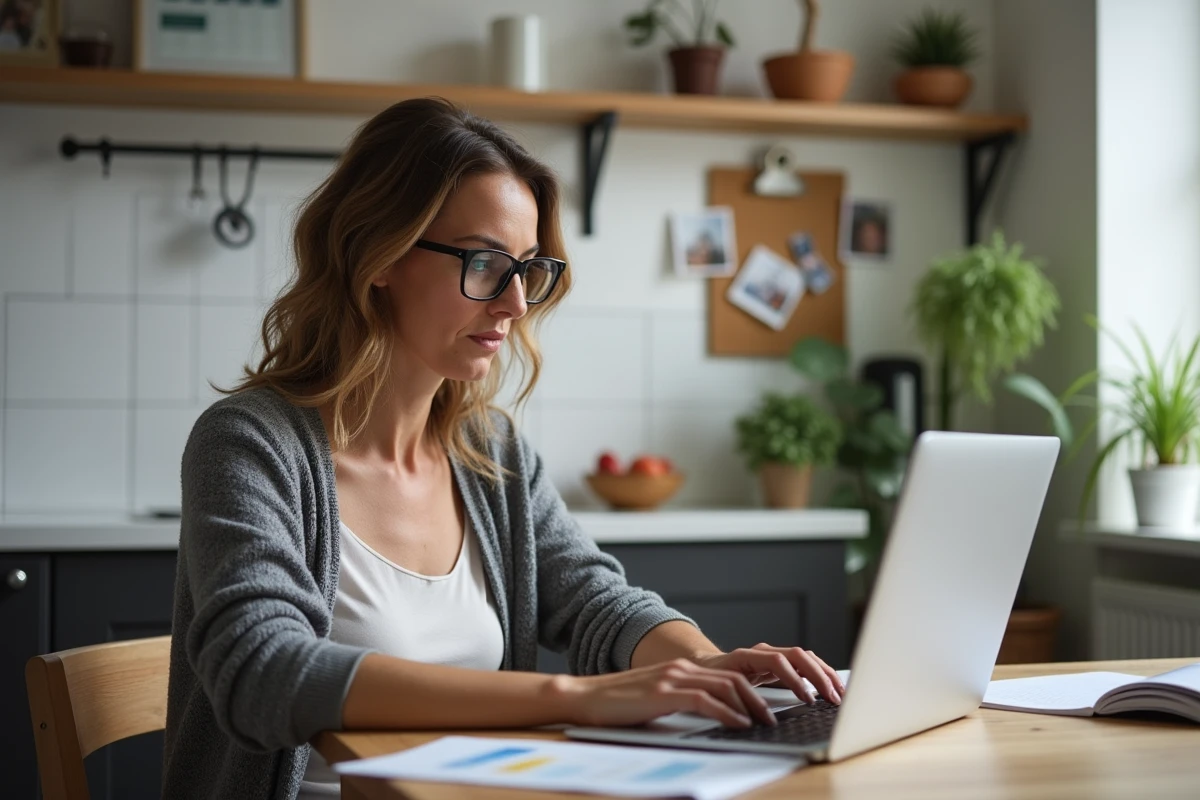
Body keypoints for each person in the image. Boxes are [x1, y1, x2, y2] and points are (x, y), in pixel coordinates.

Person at [162, 97, 845, 800]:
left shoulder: (490, 452)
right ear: (379, 256)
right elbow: (261, 671)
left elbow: (595, 600)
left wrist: (707, 667)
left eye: (527, 268)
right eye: (486, 263)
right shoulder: (249, 444)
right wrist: (573, 697)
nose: (516, 304)